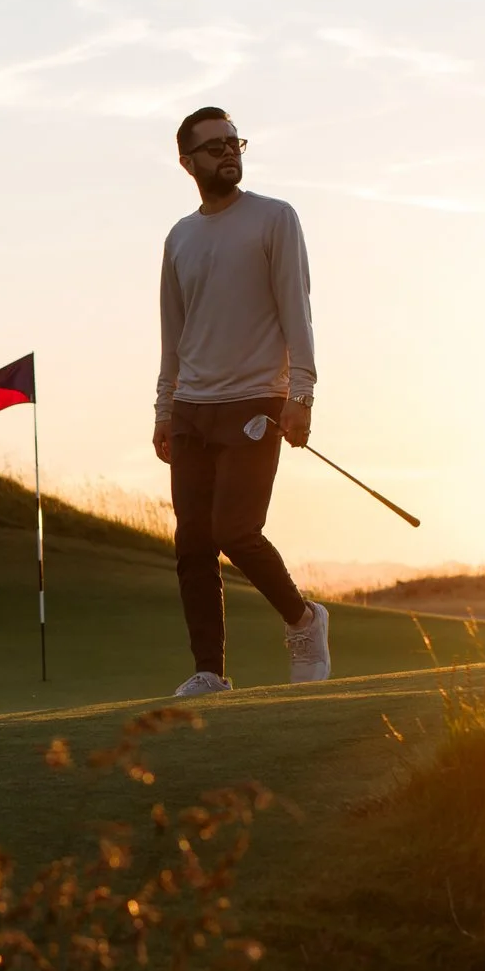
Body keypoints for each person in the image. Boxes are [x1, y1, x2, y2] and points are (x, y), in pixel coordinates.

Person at [153, 106, 330, 696]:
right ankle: (210, 671)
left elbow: (296, 310)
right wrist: (163, 408)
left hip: (258, 398)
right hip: (191, 408)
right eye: (213, 147)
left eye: (235, 142)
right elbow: (173, 332)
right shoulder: (180, 237)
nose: (229, 152)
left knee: (235, 529)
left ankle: (304, 621)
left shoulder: (274, 218)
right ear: (187, 163)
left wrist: (301, 392)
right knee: (192, 542)